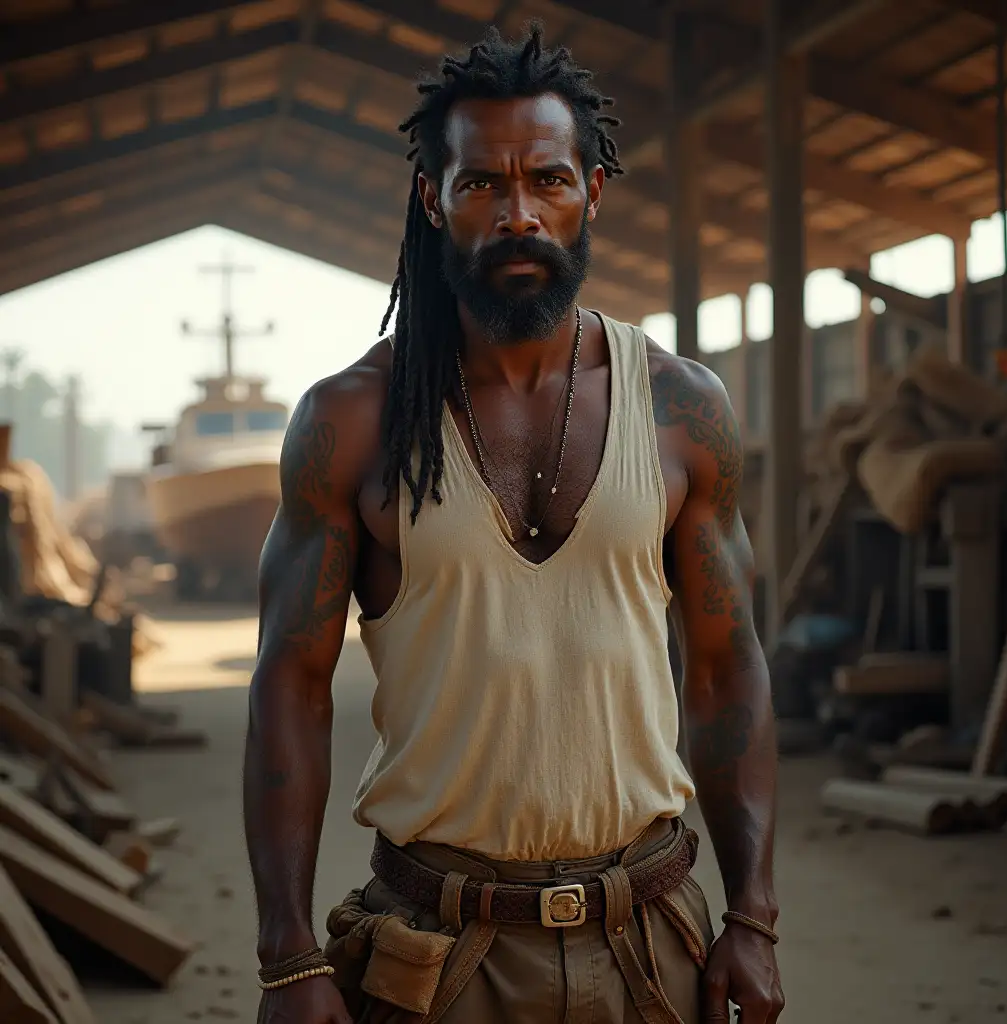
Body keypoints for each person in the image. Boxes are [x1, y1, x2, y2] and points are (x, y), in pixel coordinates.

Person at [244, 23, 782, 1024]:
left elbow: (723, 666)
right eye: (482, 185)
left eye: (547, 180)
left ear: (592, 193)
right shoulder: (351, 418)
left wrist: (751, 916)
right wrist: (287, 954)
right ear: (431, 198)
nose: (518, 213)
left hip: (648, 945)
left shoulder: (679, 406)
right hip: (434, 953)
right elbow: (291, 684)